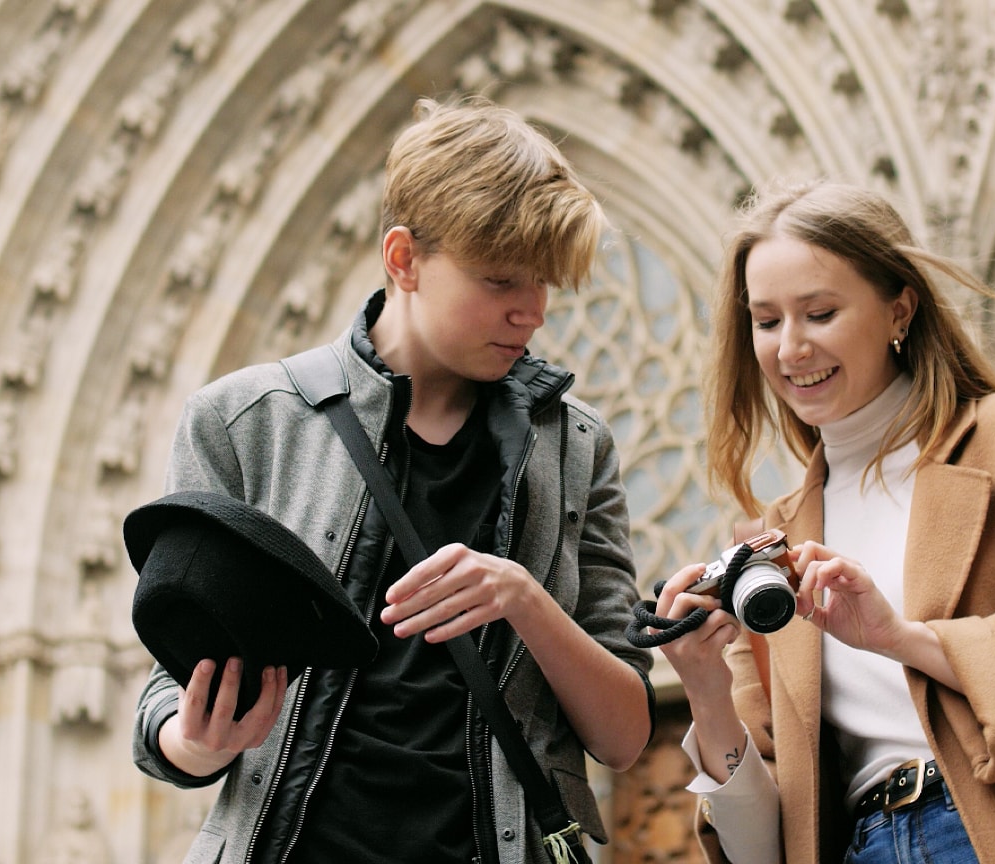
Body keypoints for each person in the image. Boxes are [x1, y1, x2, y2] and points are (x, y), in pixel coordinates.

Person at [130, 96, 655, 864]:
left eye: (544, 284)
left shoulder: (576, 446)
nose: (531, 313)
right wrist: (197, 742)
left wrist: (523, 599)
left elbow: (625, 737)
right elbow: (165, 700)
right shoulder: (241, 421)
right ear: (403, 258)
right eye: (501, 280)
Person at [650, 181, 995, 863]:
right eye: (766, 322)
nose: (790, 349)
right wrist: (704, 691)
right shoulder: (769, 553)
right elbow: (763, 851)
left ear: (898, 310)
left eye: (819, 313)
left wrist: (904, 639)